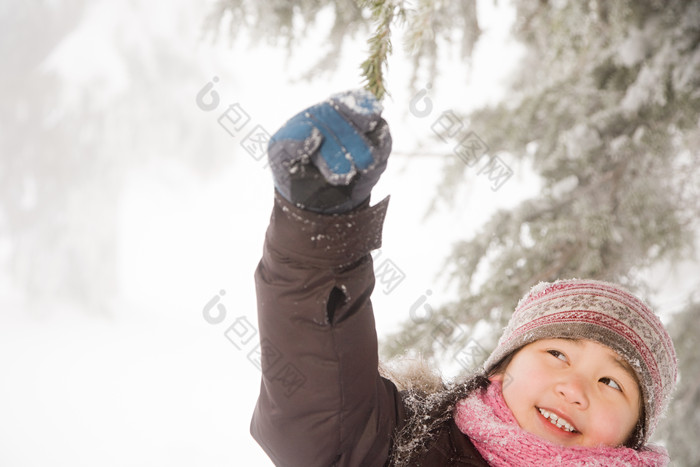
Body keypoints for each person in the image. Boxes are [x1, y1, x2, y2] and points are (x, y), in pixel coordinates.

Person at [249, 89, 677, 466]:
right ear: (500, 368)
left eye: (611, 383)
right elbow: (323, 425)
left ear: (634, 435)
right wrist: (320, 227)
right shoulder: (404, 444)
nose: (573, 388)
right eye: (557, 355)